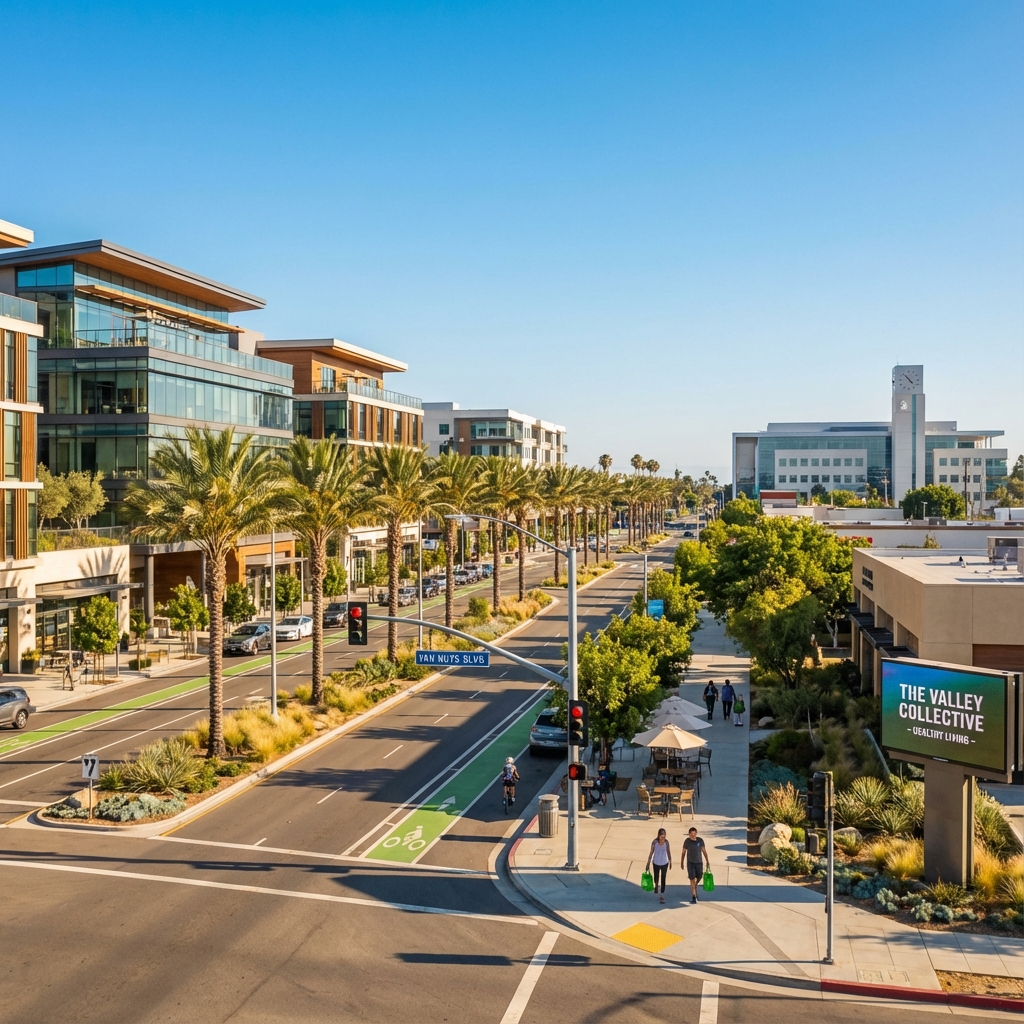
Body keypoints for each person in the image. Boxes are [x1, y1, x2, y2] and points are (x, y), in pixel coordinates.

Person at [682, 826, 711, 904]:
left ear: (696, 833)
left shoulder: (700, 841)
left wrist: (707, 861)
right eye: (691, 834)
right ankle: (694, 896)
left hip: (699, 862)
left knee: (699, 876)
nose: (693, 835)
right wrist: (681, 862)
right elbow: (683, 852)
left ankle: (695, 886)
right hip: (690, 863)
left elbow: (704, 851)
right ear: (689, 834)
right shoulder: (687, 841)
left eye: (694, 834)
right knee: (692, 879)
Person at [646, 827, 672, 904]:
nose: (663, 837)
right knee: (656, 877)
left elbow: (668, 852)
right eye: (661, 836)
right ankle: (656, 884)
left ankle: (662, 895)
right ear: (658, 835)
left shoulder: (666, 842)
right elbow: (651, 853)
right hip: (656, 862)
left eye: (664, 836)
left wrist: (670, 861)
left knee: (663, 878)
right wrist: (648, 863)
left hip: (664, 863)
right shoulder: (654, 842)